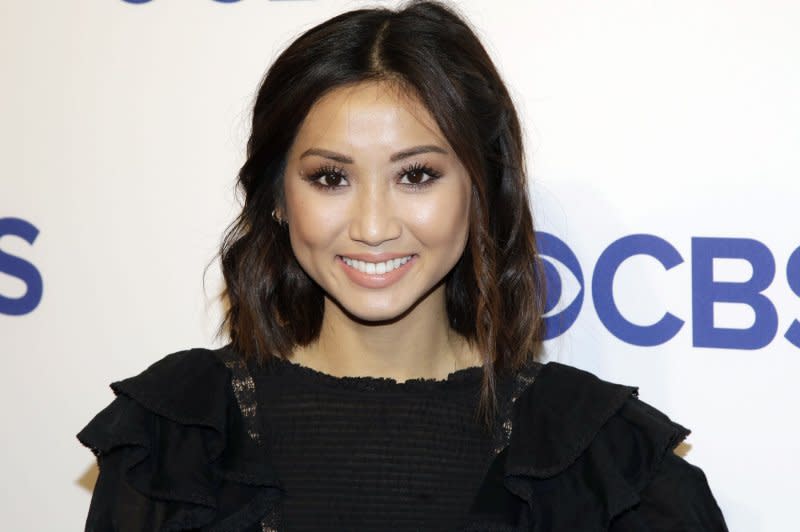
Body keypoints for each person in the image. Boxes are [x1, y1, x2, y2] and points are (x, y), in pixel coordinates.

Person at [77, 1, 728, 530]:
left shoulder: (605, 461)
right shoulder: (174, 439)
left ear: (482, 190)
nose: (373, 226)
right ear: (277, 198)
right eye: (330, 178)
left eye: (416, 175)